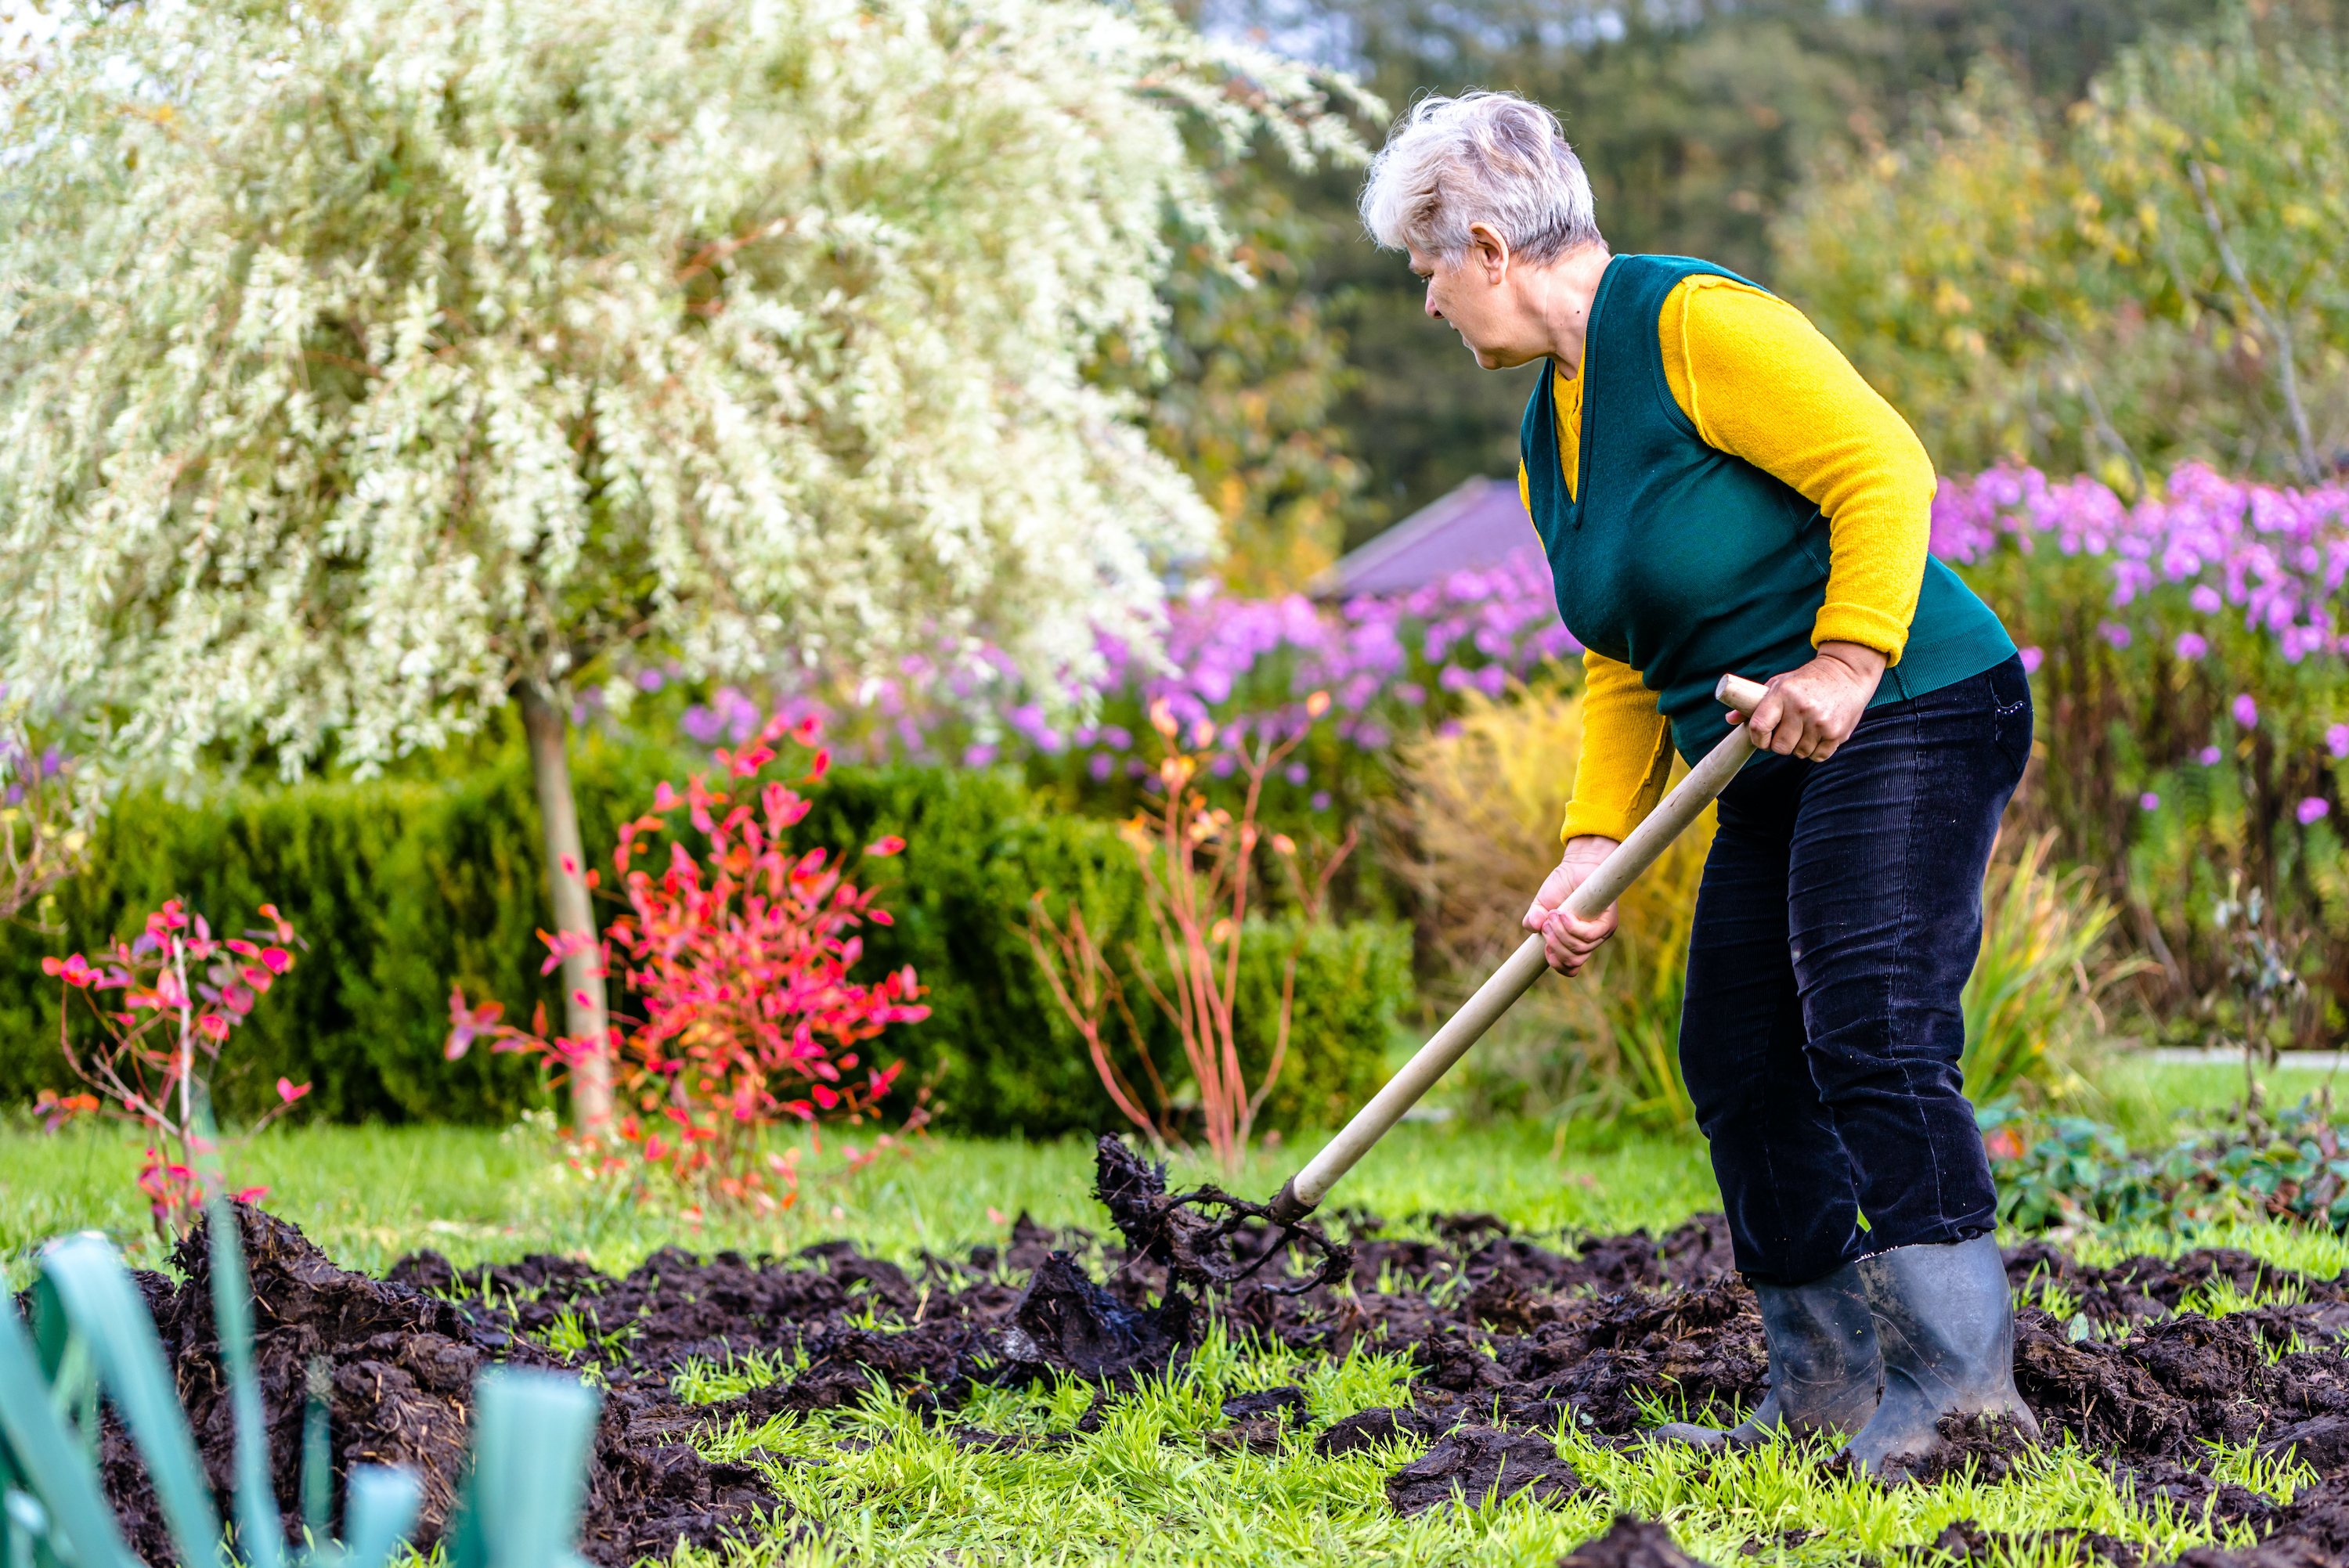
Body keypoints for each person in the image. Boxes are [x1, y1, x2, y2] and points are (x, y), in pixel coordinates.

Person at [1358, 91, 2039, 1474]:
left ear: (1488, 247)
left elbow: (1883, 469)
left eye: (1426, 266)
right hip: (1771, 739)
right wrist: (1588, 845)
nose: (1427, 303)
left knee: (1870, 1020)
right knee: (1736, 1053)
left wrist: (1847, 658)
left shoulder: (1688, 326)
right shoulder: (1557, 420)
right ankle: (1827, 1387)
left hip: (1909, 700)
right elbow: (1629, 653)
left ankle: (1963, 1392)